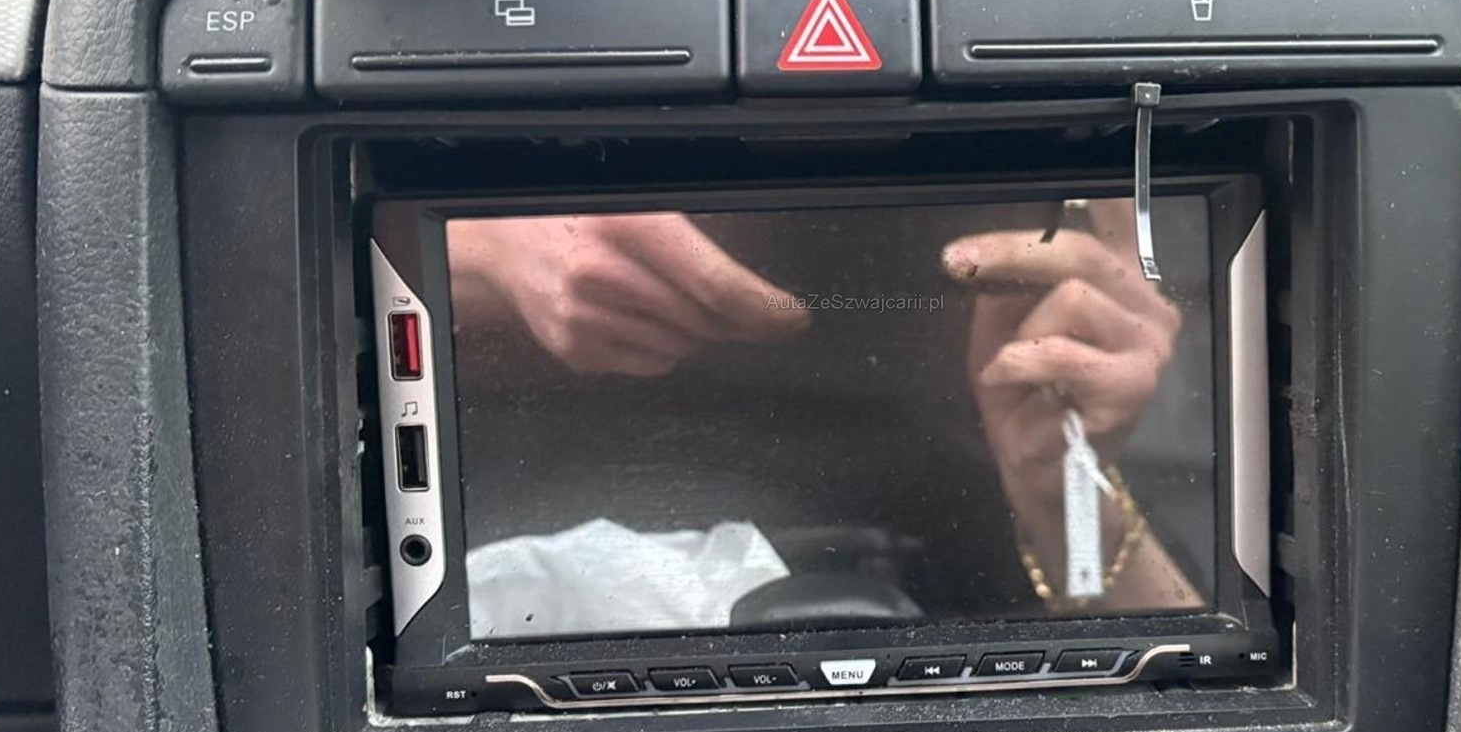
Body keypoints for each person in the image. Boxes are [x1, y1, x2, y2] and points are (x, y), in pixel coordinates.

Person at [447, 196, 1209, 629]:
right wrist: (489, 247)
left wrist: (1062, 482)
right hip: (523, 508)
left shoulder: (1079, 215)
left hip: (982, 561)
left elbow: (1201, 694)